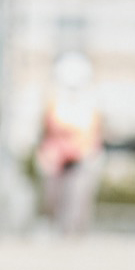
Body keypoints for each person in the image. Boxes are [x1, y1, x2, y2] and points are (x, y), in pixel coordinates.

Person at [35, 51, 104, 236]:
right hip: (55, 161)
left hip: (81, 159)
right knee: (53, 200)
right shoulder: (53, 99)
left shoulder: (90, 102)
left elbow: (90, 133)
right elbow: (51, 125)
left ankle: (71, 235)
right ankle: (55, 230)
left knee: (77, 203)